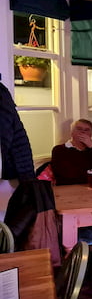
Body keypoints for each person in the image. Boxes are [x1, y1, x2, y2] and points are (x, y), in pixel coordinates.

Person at [0, 82, 35, 221]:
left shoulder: (1, 94)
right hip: (12, 169)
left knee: (8, 221)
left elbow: (4, 134)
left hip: (11, 172)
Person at [51, 119, 92, 185]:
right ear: (72, 132)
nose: (83, 132)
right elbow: (65, 174)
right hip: (69, 189)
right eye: (79, 129)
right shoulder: (59, 149)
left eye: (87, 130)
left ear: (91, 134)